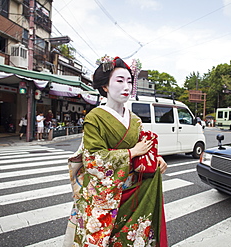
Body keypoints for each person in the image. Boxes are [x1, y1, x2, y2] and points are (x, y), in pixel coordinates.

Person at [63, 56, 168, 247]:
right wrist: (131, 153)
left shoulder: (135, 120)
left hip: (132, 192)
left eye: (129, 81)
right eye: (119, 81)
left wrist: (156, 159)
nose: (126, 87)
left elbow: (143, 147)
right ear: (105, 86)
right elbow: (93, 158)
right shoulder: (95, 117)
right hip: (105, 194)